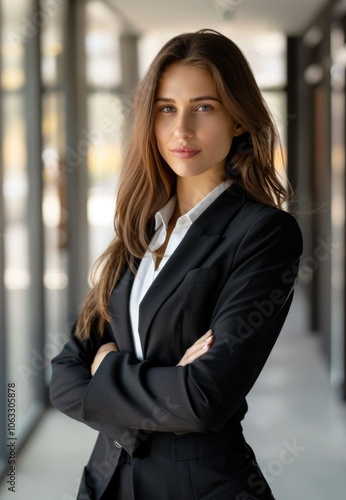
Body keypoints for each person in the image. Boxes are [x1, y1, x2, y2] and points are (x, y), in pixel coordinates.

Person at [50, 29, 302, 500]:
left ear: (239, 120)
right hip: (106, 479)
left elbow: (204, 400)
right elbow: (64, 376)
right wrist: (163, 379)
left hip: (199, 486)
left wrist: (107, 366)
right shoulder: (140, 226)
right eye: (167, 108)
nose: (181, 130)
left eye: (203, 107)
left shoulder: (264, 233)